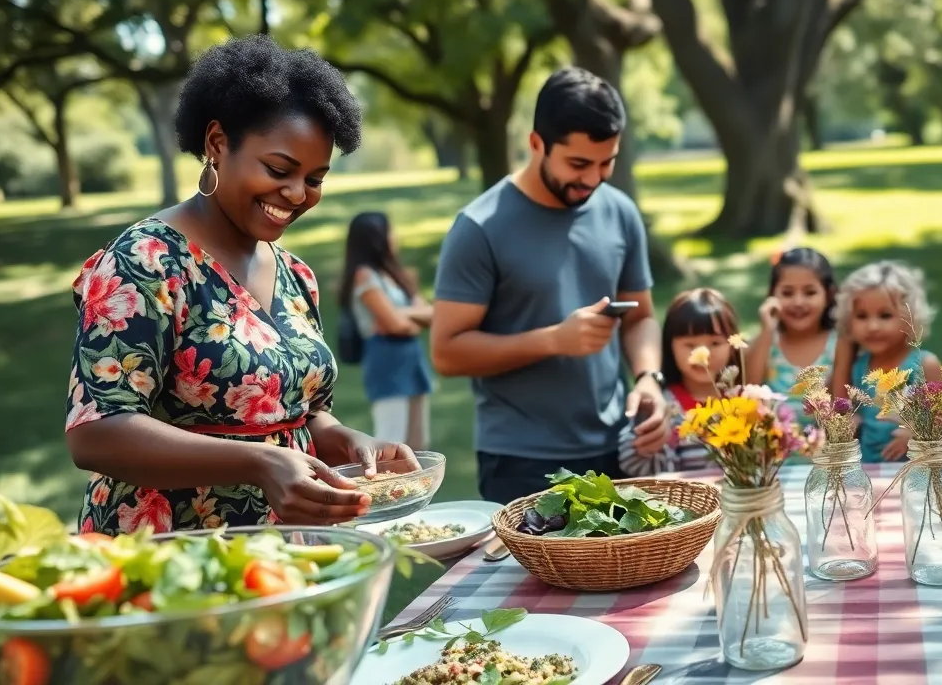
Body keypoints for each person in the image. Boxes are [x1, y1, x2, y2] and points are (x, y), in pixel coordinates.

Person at [64, 36, 416, 535]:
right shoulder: (147, 262)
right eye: (278, 169)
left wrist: (347, 439)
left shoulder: (296, 276)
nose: (296, 194)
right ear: (216, 144)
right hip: (169, 555)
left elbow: (296, 414)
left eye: (315, 178)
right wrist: (257, 464)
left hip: (286, 552)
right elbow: (97, 434)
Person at [430, 67, 665, 504]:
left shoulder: (621, 213)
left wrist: (649, 378)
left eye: (606, 163)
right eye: (578, 164)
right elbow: (446, 352)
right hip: (520, 461)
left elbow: (642, 317)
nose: (593, 179)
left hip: (616, 448)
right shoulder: (479, 227)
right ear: (536, 143)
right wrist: (554, 340)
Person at [340, 212, 436, 450]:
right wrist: (406, 318)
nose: (395, 237)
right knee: (391, 439)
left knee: (418, 441)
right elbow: (399, 325)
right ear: (376, 238)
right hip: (386, 358)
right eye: (390, 231)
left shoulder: (395, 275)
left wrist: (397, 314)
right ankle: (386, 487)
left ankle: (418, 487)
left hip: (410, 356)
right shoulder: (365, 275)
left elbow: (431, 315)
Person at [831, 261, 942, 463]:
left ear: (911, 316)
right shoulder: (859, 367)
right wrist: (852, 422)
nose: (873, 326)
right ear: (849, 320)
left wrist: (915, 435)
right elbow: (844, 412)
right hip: (869, 469)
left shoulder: (925, 365)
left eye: (885, 315)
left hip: (916, 470)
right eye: (861, 316)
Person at [618, 288, 736, 476]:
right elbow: (633, 465)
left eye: (715, 343)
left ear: (732, 345)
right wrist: (647, 447)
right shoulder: (661, 406)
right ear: (669, 347)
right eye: (690, 345)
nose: (703, 354)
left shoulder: (743, 403)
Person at [744, 248, 838, 429]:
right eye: (787, 293)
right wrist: (767, 331)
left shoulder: (838, 344)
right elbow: (749, 389)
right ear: (773, 295)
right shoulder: (766, 341)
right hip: (773, 454)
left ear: (828, 295)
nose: (798, 302)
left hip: (824, 455)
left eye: (810, 293)